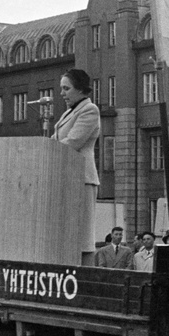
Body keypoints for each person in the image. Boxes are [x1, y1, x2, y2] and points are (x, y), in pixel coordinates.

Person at [52, 68, 101, 262]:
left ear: (80, 89)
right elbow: (56, 139)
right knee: (69, 236)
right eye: (61, 88)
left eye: (66, 88)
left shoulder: (90, 110)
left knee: (83, 238)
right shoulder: (69, 112)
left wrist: (47, 148)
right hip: (67, 177)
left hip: (82, 178)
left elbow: (73, 142)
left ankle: (84, 275)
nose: (62, 93)